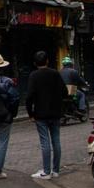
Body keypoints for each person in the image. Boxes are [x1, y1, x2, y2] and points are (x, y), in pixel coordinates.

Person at [25, 50, 67, 180]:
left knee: (45, 142)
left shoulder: (34, 76)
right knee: (56, 140)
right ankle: (55, 170)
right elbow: (65, 92)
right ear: (47, 61)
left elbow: (29, 96)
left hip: (41, 114)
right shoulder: (55, 74)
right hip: (55, 113)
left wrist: (30, 113)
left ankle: (46, 171)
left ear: (34, 63)